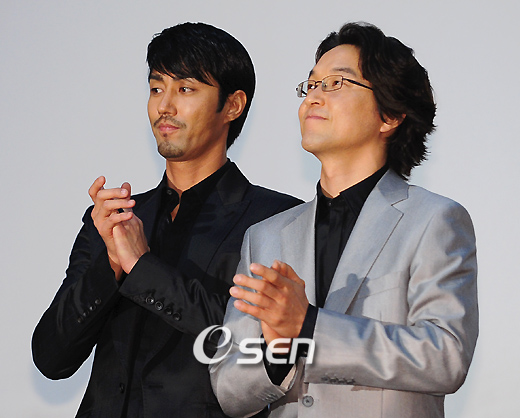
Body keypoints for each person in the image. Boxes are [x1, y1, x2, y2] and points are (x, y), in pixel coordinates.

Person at [32, 22, 301, 418]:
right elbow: (51, 358)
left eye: (185, 89)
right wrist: (111, 266)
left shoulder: (278, 220)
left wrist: (142, 268)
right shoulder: (115, 219)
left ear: (233, 105)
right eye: (157, 88)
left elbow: (254, 349)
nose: (164, 107)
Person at [210, 22, 478, 418]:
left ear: (390, 115)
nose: (313, 97)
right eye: (311, 85)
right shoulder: (266, 236)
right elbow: (229, 391)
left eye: (335, 83)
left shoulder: (434, 220)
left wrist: (309, 326)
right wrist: (278, 352)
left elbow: (446, 356)